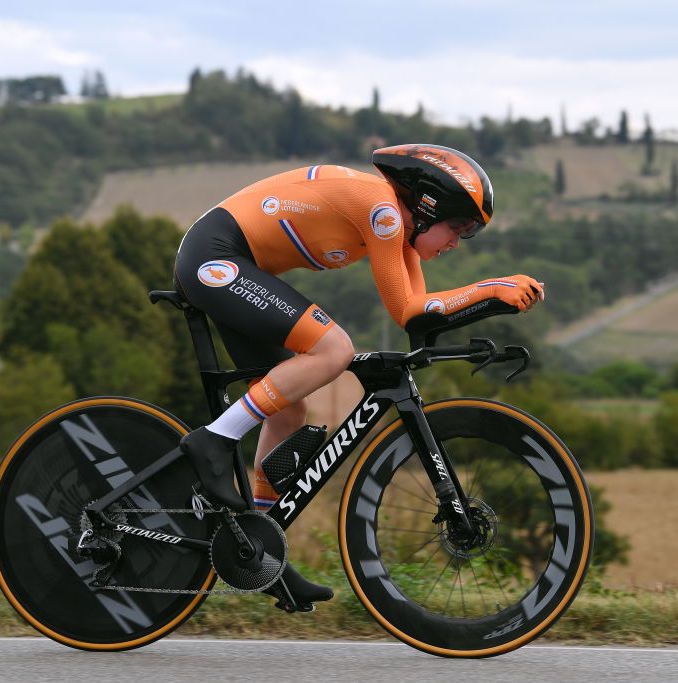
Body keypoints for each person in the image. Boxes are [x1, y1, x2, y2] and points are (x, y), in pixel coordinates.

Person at [173, 144, 544, 609]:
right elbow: (406, 308)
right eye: (460, 227)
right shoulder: (383, 211)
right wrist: (491, 289)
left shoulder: (402, 230)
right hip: (216, 257)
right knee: (334, 348)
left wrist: (490, 302)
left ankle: (259, 550)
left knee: (289, 409)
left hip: (236, 265)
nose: (457, 241)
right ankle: (215, 439)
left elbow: (416, 317)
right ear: (428, 208)